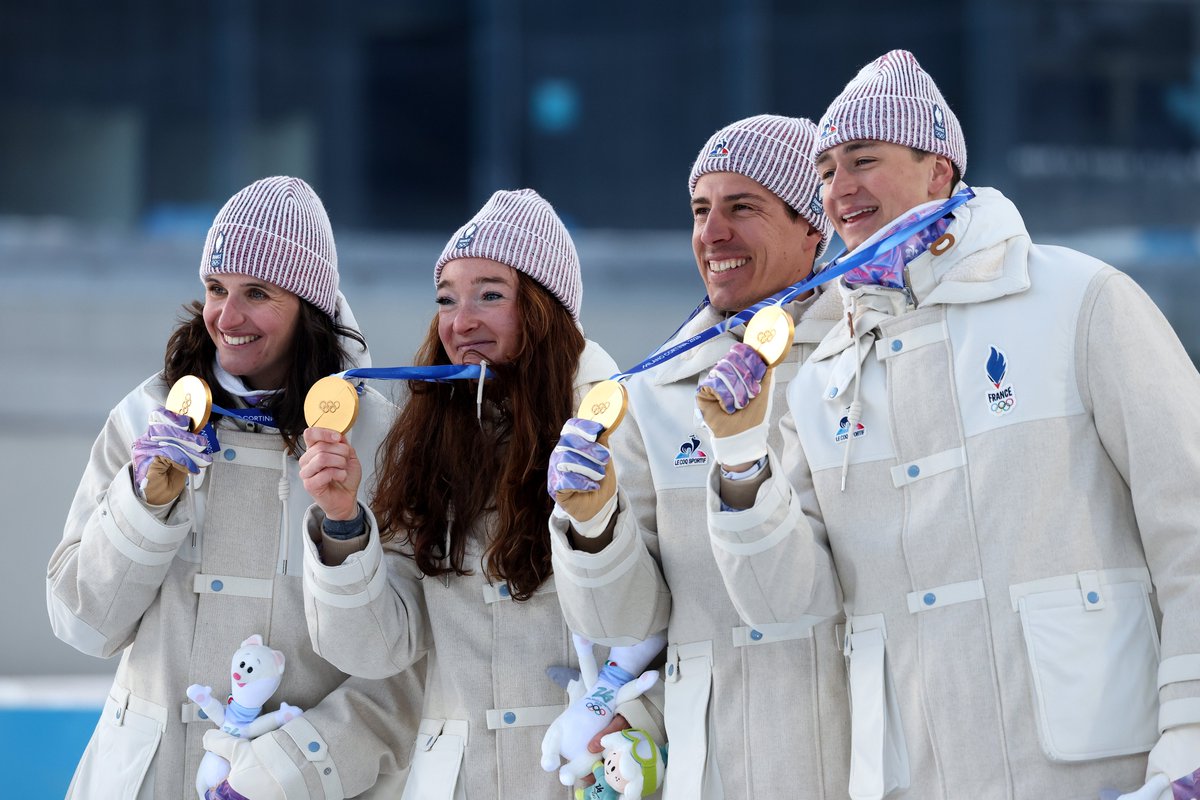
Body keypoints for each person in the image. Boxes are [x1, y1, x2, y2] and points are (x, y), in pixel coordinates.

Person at [697, 49, 1200, 799]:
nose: (840, 189)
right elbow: (785, 606)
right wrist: (740, 457)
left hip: (1103, 774)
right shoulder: (825, 374)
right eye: (827, 169)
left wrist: (1189, 746)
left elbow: (1188, 525)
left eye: (863, 159)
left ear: (939, 171)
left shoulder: (1079, 302)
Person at [47, 176, 419, 799]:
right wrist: (143, 507)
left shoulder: (380, 437)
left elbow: (398, 671)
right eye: (216, 289)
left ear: (310, 304)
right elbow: (84, 627)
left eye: (257, 293)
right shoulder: (146, 417)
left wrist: (286, 774)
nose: (228, 316)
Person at [544, 116, 849, 798]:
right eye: (701, 210)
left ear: (812, 227)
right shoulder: (650, 394)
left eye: (743, 207)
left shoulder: (865, 355)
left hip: (865, 757)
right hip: (717, 773)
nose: (713, 234)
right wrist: (592, 529)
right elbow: (625, 623)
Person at [298, 189, 637, 799]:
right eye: (447, 300)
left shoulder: (621, 432)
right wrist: (343, 520)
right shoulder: (430, 445)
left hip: (582, 775)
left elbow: (652, 620)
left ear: (543, 308)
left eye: (490, 294)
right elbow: (377, 649)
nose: (461, 321)